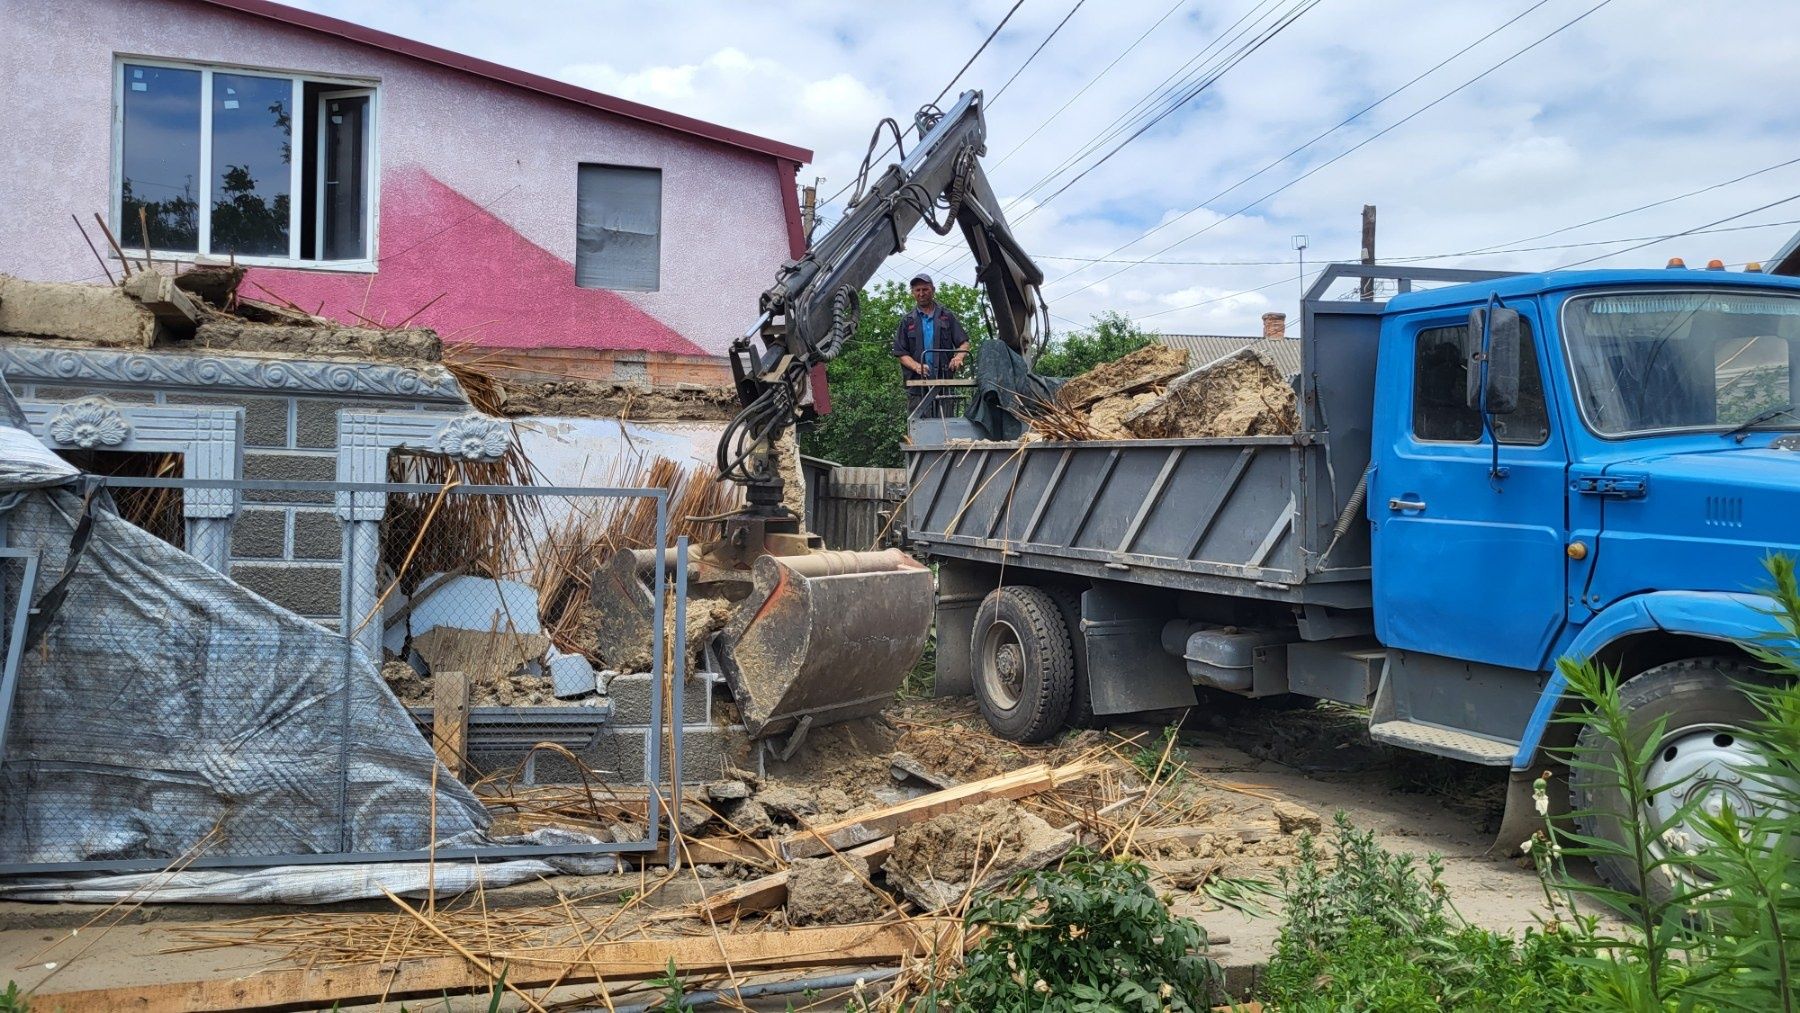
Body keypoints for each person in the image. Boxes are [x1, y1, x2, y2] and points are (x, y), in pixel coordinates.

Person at [890, 272, 971, 416]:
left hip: (944, 383)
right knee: (919, 428)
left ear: (933, 290)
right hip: (917, 387)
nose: (921, 293)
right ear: (913, 293)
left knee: (945, 427)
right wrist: (916, 366)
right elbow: (901, 353)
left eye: (925, 289)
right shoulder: (907, 321)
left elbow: (964, 343)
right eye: (918, 290)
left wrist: (958, 358)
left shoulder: (946, 316)